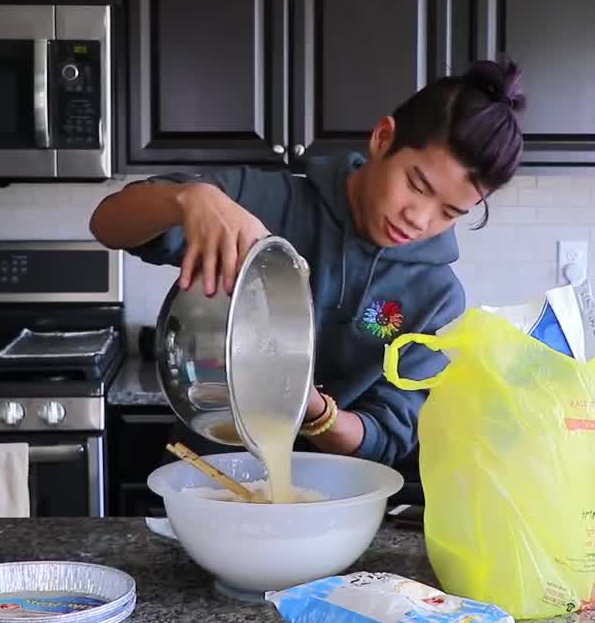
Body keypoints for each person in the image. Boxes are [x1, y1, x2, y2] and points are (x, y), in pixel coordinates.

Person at [90, 60, 525, 466]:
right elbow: (106, 225)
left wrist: (306, 404)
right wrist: (187, 199)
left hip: (332, 498)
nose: (420, 217)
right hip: (212, 473)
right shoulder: (265, 202)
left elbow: (384, 438)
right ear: (383, 138)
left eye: (449, 213)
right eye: (416, 184)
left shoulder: (437, 298)